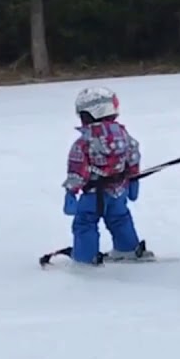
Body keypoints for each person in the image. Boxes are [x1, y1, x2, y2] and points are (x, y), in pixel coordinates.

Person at [61, 86, 153, 264]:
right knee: (120, 219)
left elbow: (77, 169)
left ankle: (85, 257)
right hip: (119, 191)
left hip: (93, 195)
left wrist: (71, 192)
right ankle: (127, 249)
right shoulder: (124, 136)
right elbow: (133, 155)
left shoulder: (84, 142)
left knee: (85, 224)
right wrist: (134, 179)